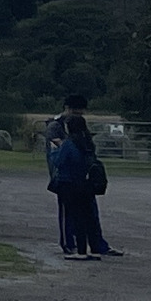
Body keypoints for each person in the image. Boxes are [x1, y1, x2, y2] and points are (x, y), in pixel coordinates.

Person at [45, 95, 115, 258]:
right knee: (72, 214)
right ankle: (71, 244)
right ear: (68, 109)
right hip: (69, 177)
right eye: (76, 112)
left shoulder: (76, 134)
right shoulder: (56, 126)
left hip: (76, 178)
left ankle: (93, 245)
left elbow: (60, 155)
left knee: (87, 213)